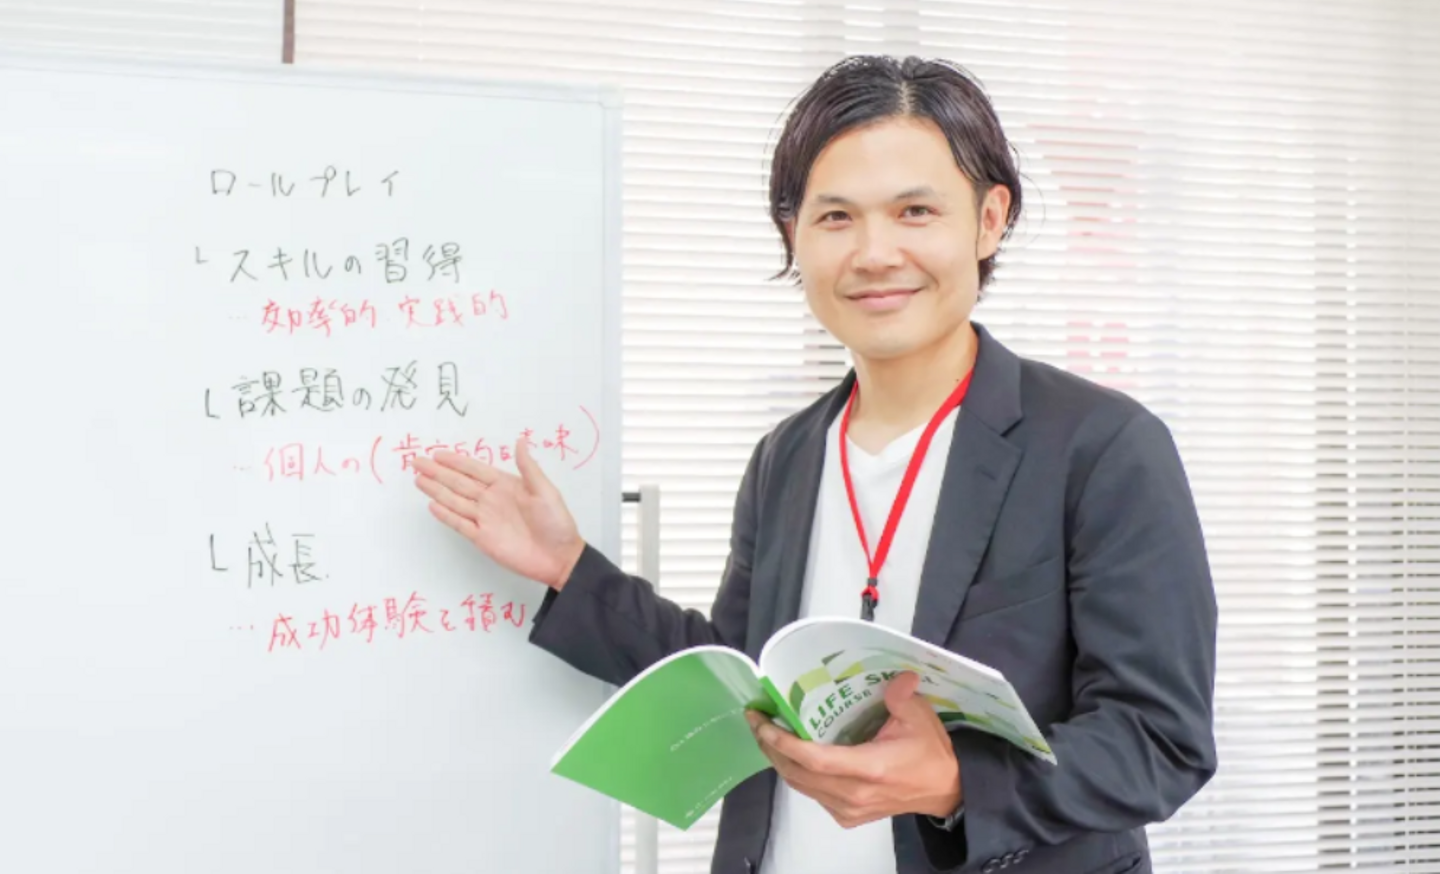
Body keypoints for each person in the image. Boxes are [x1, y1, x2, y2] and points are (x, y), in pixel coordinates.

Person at [413, 54, 1217, 874]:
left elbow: (1160, 740)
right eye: (835, 217)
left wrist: (955, 784)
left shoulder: (1101, 446)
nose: (874, 253)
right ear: (793, 234)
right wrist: (566, 566)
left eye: (914, 211)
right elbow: (739, 682)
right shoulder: (787, 455)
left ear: (988, 219)